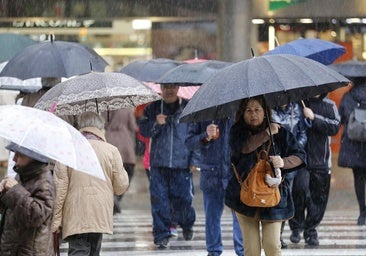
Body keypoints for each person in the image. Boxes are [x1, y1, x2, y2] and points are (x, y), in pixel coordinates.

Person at [225, 96, 306, 256]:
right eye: (249, 110)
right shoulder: (237, 132)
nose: (253, 114)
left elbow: (300, 156)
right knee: (252, 250)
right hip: (245, 198)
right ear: (242, 113)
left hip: (273, 199)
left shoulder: (280, 131)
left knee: (272, 246)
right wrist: (266, 134)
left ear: (265, 112)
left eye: (257, 110)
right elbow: (244, 148)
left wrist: (283, 162)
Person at [52, 111, 129, 255]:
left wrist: (55, 222)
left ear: (81, 126)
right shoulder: (111, 151)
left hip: (75, 214)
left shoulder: (68, 149)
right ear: (100, 128)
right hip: (100, 212)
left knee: (78, 250)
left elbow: (60, 188)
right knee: (94, 251)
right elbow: (121, 187)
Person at [138, 84, 196, 248]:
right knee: (159, 200)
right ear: (161, 88)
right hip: (158, 164)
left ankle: (186, 224)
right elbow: (143, 131)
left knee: (183, 200)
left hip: (182, 164)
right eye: (166, 87)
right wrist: (156, 124)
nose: (169, 90)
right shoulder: (152, 109)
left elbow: (195, 133)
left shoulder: (188, 107)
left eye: (173, 87)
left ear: (178, 88)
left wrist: (194, 160)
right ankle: (161, 234)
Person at [186, 119, 244, 256]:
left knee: (241, 217)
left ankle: (242, 251)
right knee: (212, 216)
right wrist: (205, 136)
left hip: (235, 173)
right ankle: (213, 251)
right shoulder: (203, 114)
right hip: (211, 174)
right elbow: (189, 143)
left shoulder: (239, 111)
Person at [289, 94, 340, 246]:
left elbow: (335, 127)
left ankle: (311, 230)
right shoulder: (297, 104)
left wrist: (314, 117)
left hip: (321, 160)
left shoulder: (329, 105)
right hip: (300, 160)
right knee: (299, 191)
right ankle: (296, 227)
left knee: (318, 198)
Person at [0, 142, 55, 255]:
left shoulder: (45, 181)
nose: (14, 159)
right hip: (12, 247)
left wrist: (15, 190)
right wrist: (3, 192)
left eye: (19, 155)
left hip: (30, 251)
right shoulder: (22, 174)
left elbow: (36, 216)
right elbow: (11, 209)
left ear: (31, 157)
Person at [272, 102, 308, 248]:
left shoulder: (296, 109)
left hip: (291, 161)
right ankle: (277, 235)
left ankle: (295, 228)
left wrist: (295, 148)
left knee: (292, 195)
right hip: (275, 160)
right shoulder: (270, 111)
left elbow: (303, 133)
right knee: (278, 198)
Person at [338, 77, 366, 225]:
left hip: (354, 145)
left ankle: (362, 212)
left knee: (359, 178)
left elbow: (341, 119)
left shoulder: (349, 96)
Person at [103, 108, 137, 214]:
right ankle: (117, 197)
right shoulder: (127, 108)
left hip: (109, 139)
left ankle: (111, 198)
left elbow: (103, 123)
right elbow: (133, 126)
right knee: (128, 172)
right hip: (124, 141)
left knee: (110, 173)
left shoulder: (106, 108)